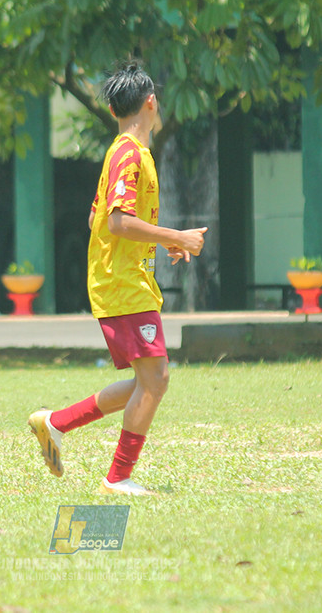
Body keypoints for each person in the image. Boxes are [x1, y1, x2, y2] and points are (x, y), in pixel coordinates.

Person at [27, 61, 207, 496]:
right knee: (156, 379)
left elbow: (96, 218)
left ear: (111, 110)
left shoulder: (123, 153)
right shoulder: (129, 154)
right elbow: (117, 223)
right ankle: (118, 477)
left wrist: (160, 243)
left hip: (126, 281)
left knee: (146, 381)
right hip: (123, 284)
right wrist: (172, 236)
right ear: (151, 102)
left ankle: (56, 423)